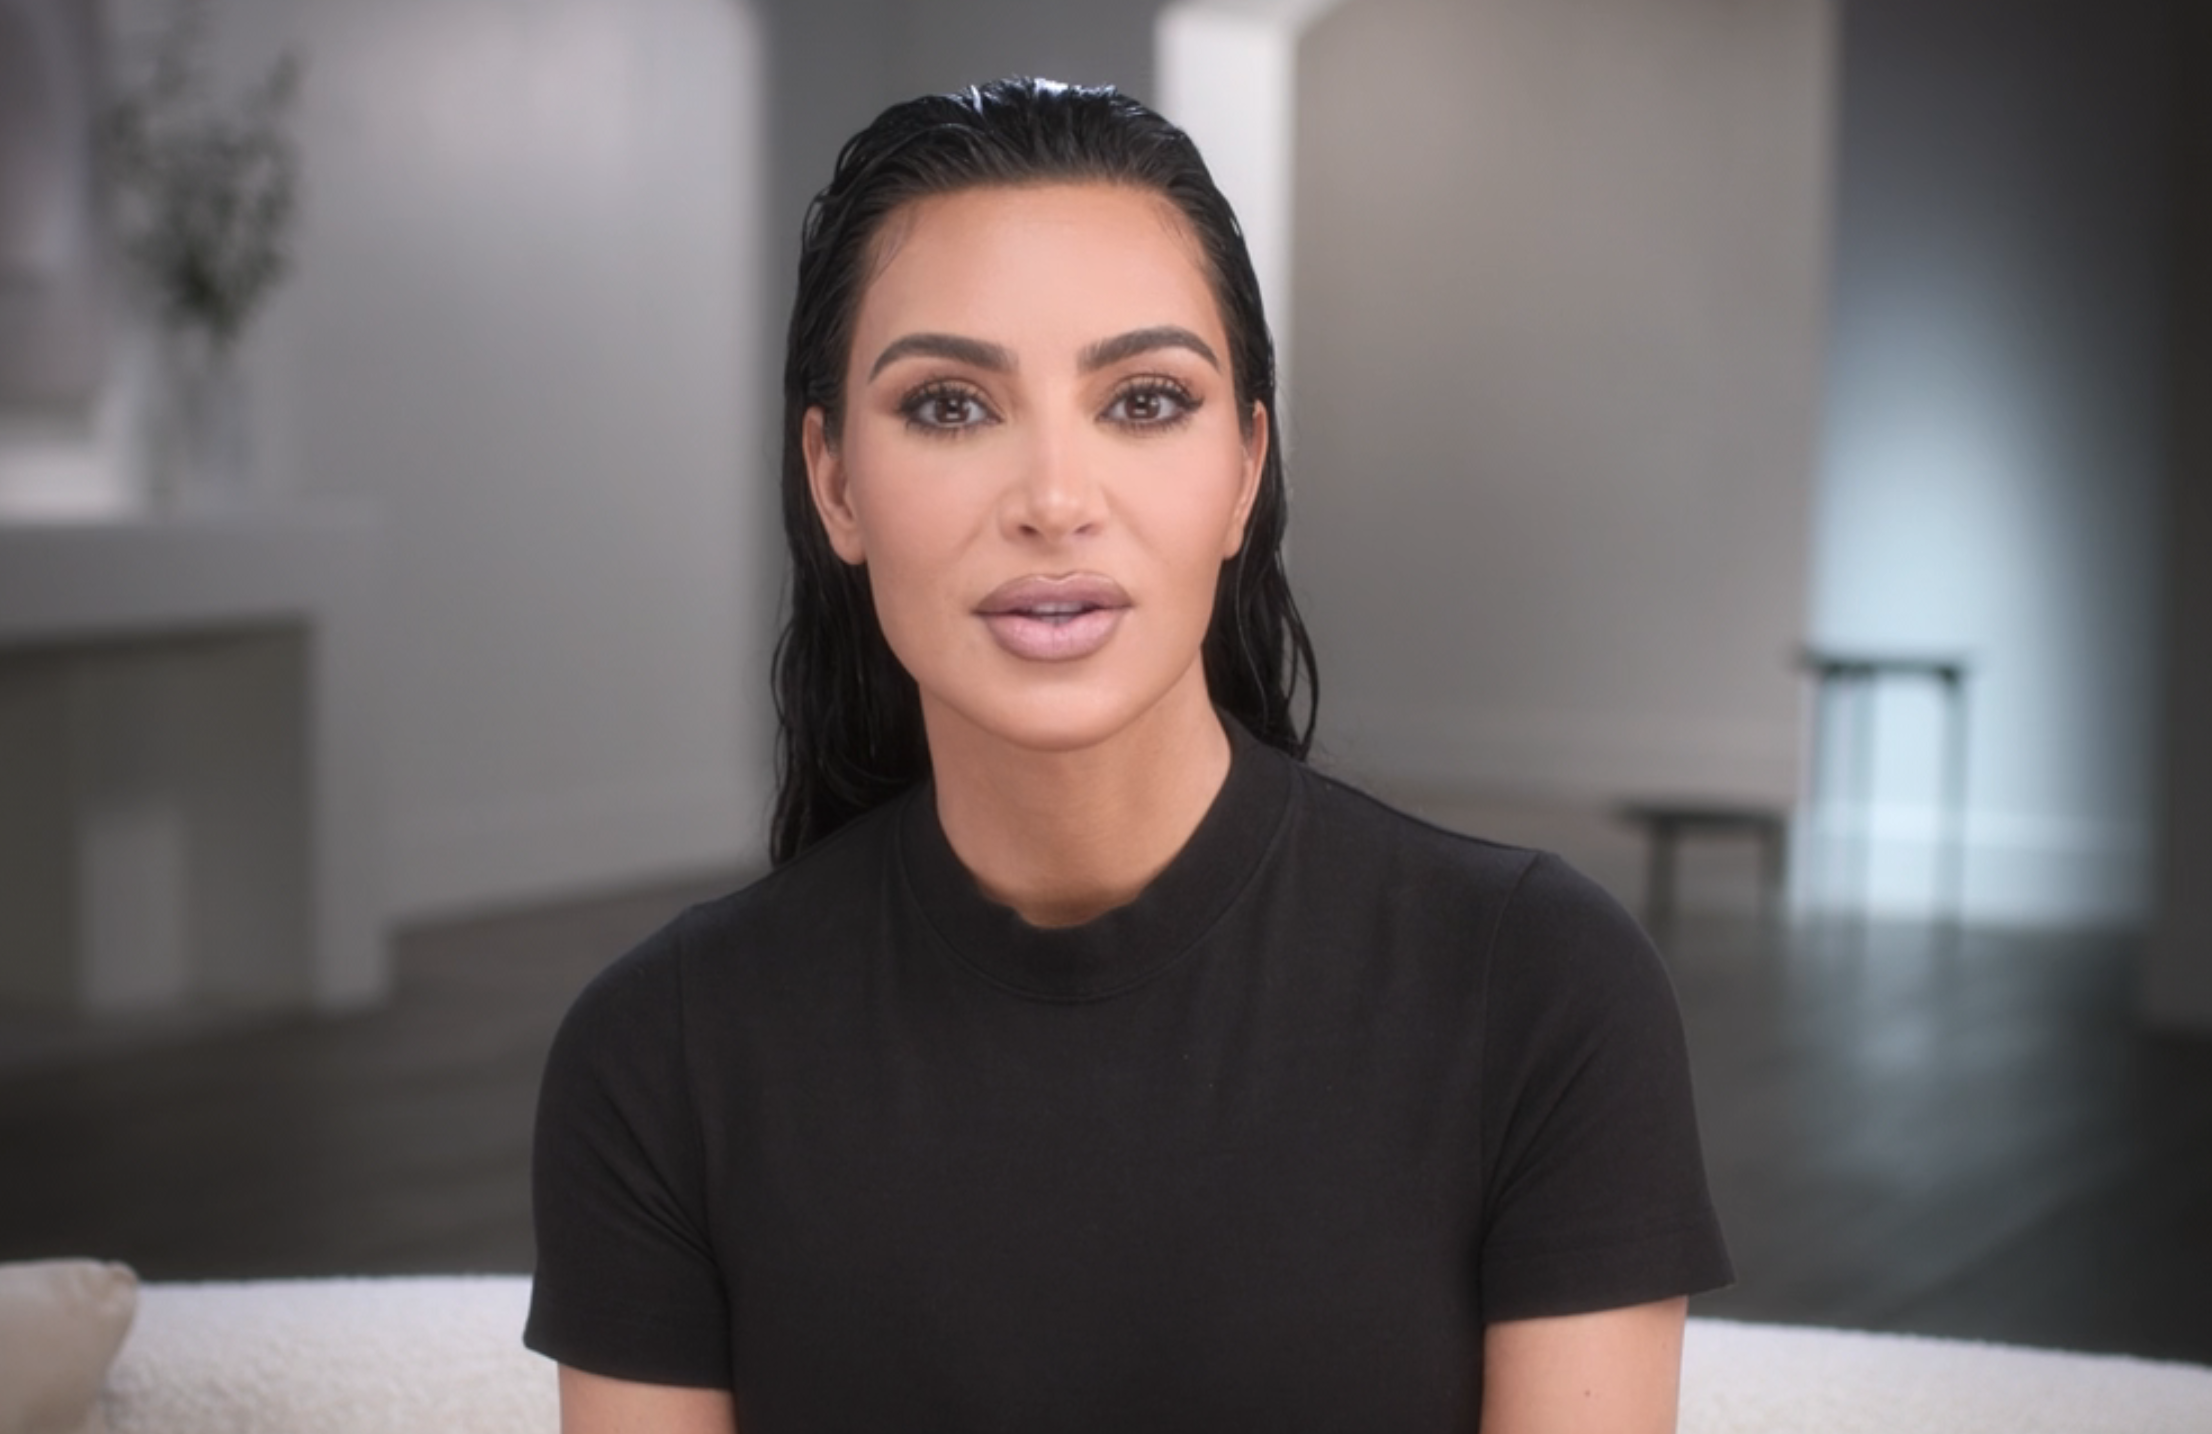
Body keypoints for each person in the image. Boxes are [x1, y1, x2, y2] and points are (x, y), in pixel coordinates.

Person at [524, 77, 1731, 1433]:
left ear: (1245, 469)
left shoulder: (1541, 991)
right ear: (835, 482)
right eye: (949, 406)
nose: (1053, 499)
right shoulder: (660, 1056)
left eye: (1146, 399)